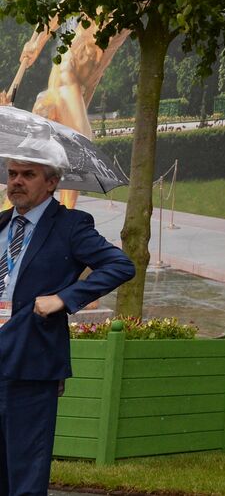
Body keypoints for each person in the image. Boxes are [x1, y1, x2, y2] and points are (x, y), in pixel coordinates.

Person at [0, 151, 135, 496]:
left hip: (32, 359)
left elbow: (120, 266)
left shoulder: (70, 225)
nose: (16, 182)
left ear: (51, 182)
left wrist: (63, 298)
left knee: (26, 469)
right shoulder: (0, 223)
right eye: (12, 174)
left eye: (28, 174)